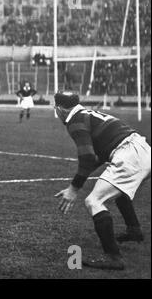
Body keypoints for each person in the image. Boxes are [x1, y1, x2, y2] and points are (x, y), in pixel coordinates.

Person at [53, 90, 151, 270]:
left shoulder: (75, 121)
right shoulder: (87, 113)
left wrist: (74, 189)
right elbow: (98, 157)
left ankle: (114, 258)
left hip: (129, 154)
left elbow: (88, 157)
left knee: (93, 201)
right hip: (143, 148)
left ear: (60, 109)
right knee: (117, 188)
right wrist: (76, 182)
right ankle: (134, 230)